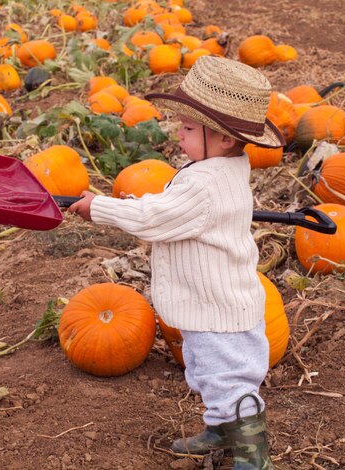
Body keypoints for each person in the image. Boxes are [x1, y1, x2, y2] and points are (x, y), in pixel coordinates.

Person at [68, 55, 285, 469]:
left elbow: (153, 219)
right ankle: (222, 429)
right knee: (207, 373)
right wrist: (130, 203)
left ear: (223, 138)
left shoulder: (205, 182)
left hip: (219, 308)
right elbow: (169, 209)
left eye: (187, 128)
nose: (178, 134)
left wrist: (100, 207)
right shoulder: (219, 167)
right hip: (209, 303)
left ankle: (252, 456)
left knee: (229, 380)